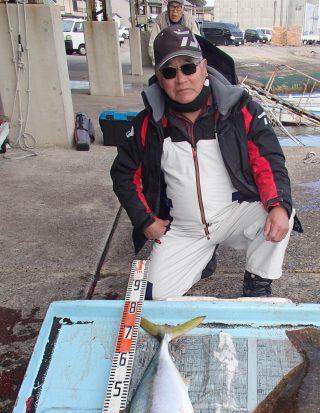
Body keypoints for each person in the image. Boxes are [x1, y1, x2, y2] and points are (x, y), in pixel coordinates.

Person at [111, 25, 299, 300]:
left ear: (204, 67)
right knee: (150, 299)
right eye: (169, 71)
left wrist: (278, 205)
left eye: (188, 67)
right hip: (184, 228)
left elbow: (268, 160)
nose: (181, 79)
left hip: (233, 213)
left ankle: (258, 283)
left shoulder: (240, 109)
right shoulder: (146, 124)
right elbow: (124, 175)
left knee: (282, 211)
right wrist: (145, 220)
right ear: (160, 79)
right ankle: (202, 258)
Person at [148, 0, 200, 65]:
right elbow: (152, 45)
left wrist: (194, 62)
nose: (175, 12)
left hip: (185, 58)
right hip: (166, 59)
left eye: (178, 8)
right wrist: (158, 62)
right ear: (167, 8)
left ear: (183, 8)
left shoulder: (190, 20)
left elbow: (198, 43)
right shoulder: (160, 20)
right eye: (172, 7)